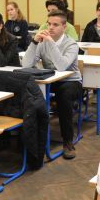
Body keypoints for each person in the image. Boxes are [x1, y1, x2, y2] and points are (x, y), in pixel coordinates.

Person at [22, 11, 82, 160]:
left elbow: (61, 66)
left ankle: (68, 141)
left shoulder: (71, 44)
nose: (51, 27)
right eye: (49, 24)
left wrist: (50, 43)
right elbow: (26, 64)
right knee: (29, 92)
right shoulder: (42, 42)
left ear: (64, 27)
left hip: (71, 81)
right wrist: (34, 42)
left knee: (64, 95)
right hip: (51, 80)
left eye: (55, 25)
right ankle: (32, 139)